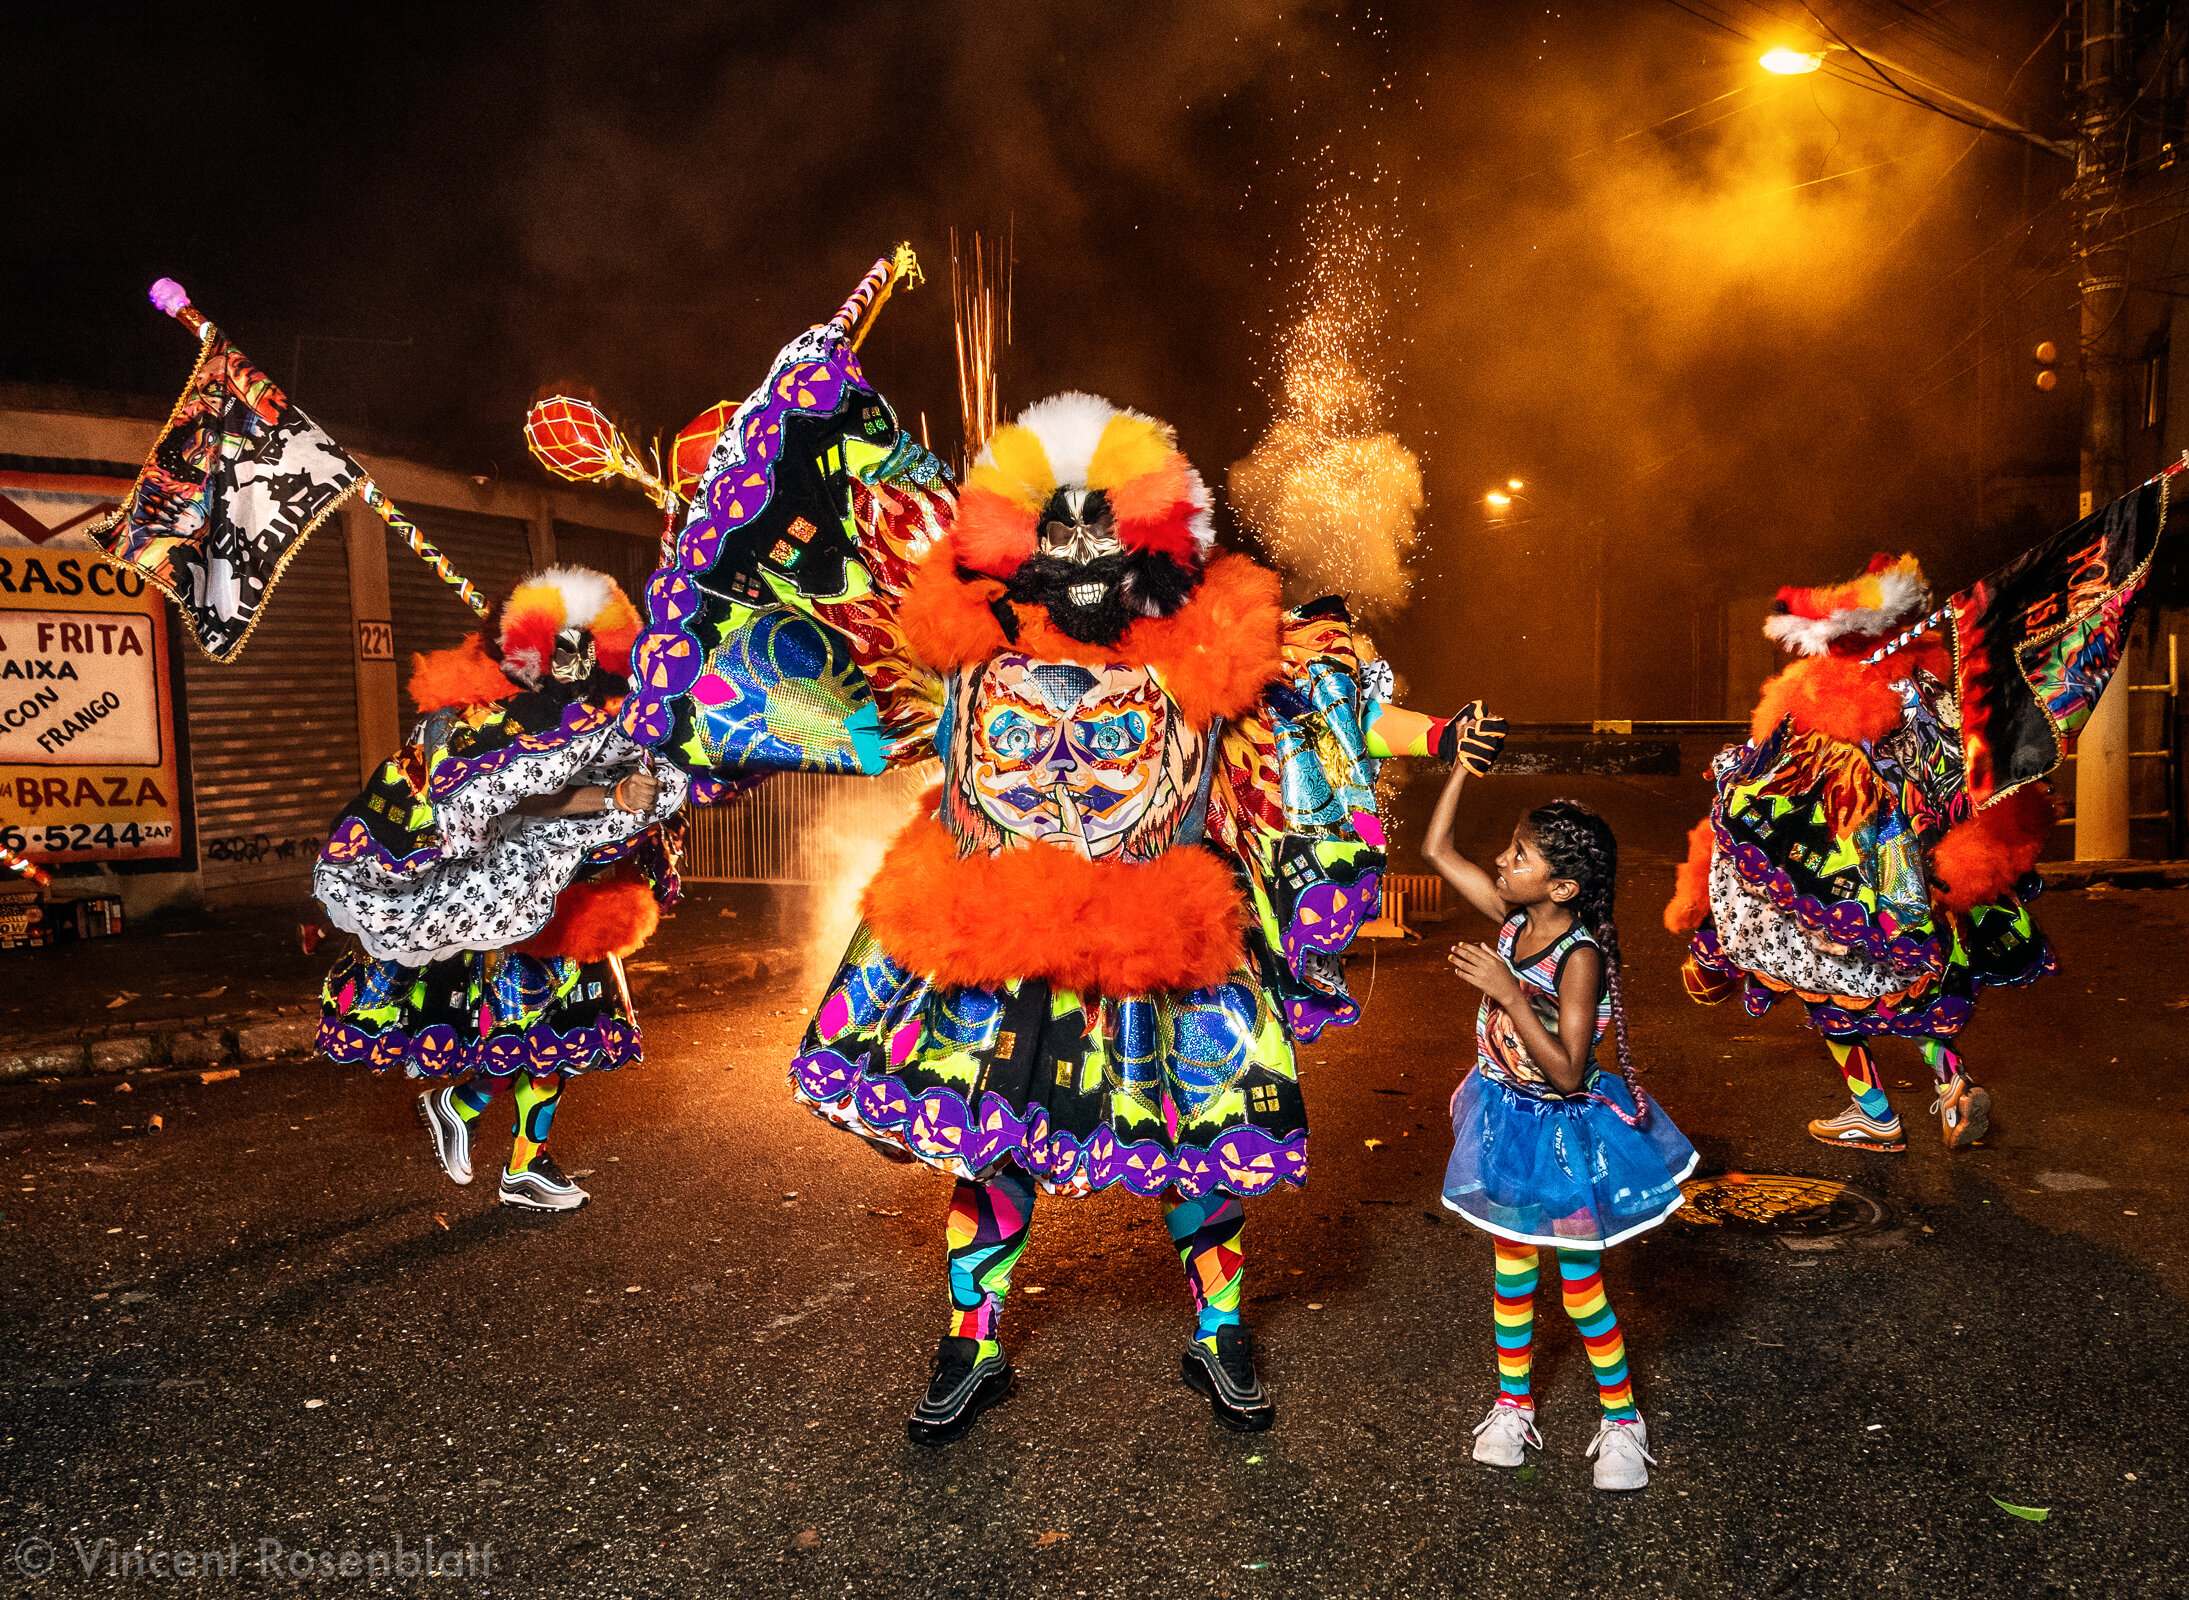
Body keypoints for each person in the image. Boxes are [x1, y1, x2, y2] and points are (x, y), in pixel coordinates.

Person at [611, 279, 1505, 1444]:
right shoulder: (962, 649)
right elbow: (820, 654)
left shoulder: (1207, 650)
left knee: (1202, 1147)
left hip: (1166, 944)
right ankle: (970, 1348)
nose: (1081, 553)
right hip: (999, 943)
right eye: (1060, 534)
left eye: (1103, 533)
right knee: (992, 1153)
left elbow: (1324, 703)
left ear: (1146, 545)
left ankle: (1219, 1332)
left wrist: (1436, 734)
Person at [314, 567, 687, 1212]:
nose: (575, 662)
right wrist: (609, 795)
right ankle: (487, 1128)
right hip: (497, 901)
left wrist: (640, 792)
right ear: (531, 646)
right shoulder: (481, 719)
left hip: (574, 897)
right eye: (564, 646)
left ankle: (505, 1148)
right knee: (529, 1032)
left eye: (588, 647)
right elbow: (509, 801)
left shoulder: (604, 712)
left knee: (562, 1039)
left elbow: (636, 779)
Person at [1664, 555, 2054, 1154]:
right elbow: (1964, 781)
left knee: (1829, 999)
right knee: (1914, 988)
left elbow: (1761, 801)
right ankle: (1953, 1086)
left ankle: (1873, 1113)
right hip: (1914, 882)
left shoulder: (1823, 693)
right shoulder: (1931, 694)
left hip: (1839, 888)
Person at [1420, 755, 1697, 1492]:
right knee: (1512, 1270)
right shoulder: (1514, 921)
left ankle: (1622, 1420)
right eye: (1510, 848)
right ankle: (1513, 1406)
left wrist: (1509, 993)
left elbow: (1570, 1070)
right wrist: (1459, 773)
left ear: (1564, 888)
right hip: (1504, 1118)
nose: (1502, 862)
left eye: (1519, 856)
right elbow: (1436, 852)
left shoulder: (1578, 958)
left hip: (1565, 1137)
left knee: (1579, 1285)